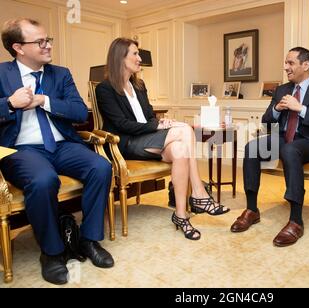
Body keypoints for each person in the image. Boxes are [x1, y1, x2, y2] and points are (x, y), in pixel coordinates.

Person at [0, 18, 114, 285]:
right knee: (43, 180)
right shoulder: (1, 74)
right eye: (39, 41)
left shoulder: (60, 74)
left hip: (62, 145)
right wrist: (10, 104)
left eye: (48, 39)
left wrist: (45, 100)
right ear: (18, 47)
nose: (48, 45)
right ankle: (52, 252)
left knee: (101, 166)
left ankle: (89, 240)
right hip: (21, 149)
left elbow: (77, 111)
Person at [95, 38, 229, 241]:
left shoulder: (139, 86)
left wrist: (160, 121)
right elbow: (122, 124)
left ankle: (181, 215)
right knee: (185, 129)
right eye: (135, 54)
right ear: (120, 57)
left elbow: (149, 116)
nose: (140, 58)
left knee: (181, 150)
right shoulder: (105, 89)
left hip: (147, 138)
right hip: (127, 143)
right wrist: (156, 126)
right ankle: (200, 194)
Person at [230, 47, 309, 247]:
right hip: (282, 137)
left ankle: (296, 220)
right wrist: (276, 110)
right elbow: (266, 122)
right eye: (285, 63)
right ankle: (252, 210)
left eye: (290, 63)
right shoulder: (282, 89)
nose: (285, 67)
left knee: (290, 150)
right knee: (251, 147)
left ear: (305, 65)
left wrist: (302, 109)